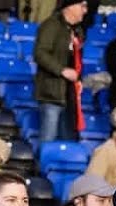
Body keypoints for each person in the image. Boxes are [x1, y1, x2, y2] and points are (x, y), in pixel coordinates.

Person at [35, 0, 87, 144]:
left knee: (69, 140)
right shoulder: (51, 25)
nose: (85, 10)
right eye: (82, 6)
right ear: (70, 6)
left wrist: (78, 80)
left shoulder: (77, 30)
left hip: (70, 96)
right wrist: (62, 70)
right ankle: (41, 167)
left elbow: (76, 60)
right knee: (48, 140)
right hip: (52, 94)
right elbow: (40, 53)